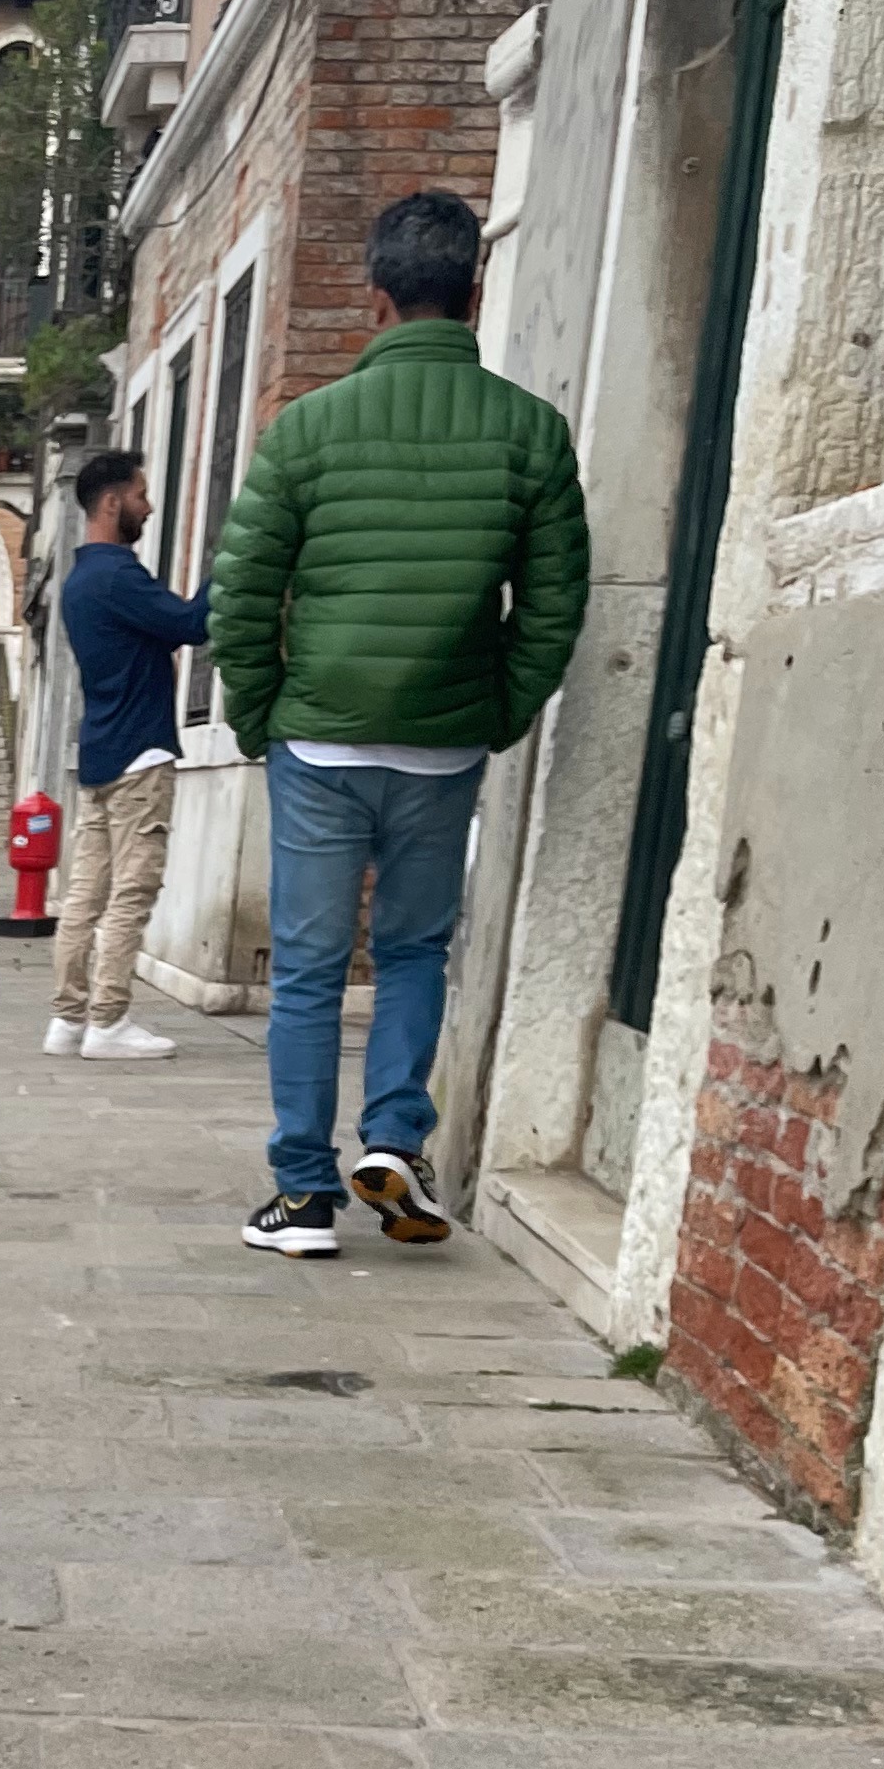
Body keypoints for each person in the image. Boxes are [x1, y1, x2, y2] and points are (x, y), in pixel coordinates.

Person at [212, 188, 589, 1256]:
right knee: (416, 948)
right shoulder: (533, 434)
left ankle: (301, 1193)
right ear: (474, 291)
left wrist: (258, 717)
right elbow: (555, 604)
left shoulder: (304, 433)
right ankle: (394, 1139)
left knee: (309, 967)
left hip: (320, 741)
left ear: (374, 299)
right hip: (445, 742)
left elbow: (244, 594)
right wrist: (500, 710)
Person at [49, 446, 208, 1063]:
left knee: (86, 893)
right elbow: (193, 623)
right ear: (112, 503)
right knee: (131, 893)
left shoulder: (79, 582)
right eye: (140, 494)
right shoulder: (118, 575)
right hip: (140, 755)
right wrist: (231, 560)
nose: (148, 504)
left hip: (97, 754)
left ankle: (66, 1018)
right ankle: (108, 1020)